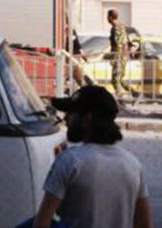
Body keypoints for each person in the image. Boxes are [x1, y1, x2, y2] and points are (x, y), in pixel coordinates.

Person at [29, 84, 152, 228]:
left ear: (87, 118)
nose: (66, 118)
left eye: (72, 113)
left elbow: (41, 223)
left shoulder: (69, 161)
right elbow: (145, 224)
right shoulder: (133, 165)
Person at [106, 9, 136, 100]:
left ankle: (121, 99)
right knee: (121, 79)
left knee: (115, 80)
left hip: (119, 56)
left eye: (107, 17)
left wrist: (114, 58)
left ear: (110, 17)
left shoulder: (116, 28)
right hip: (123, 56)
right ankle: (135, 93)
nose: (107, 19)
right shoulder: (122, 26)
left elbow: (119, 43)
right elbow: (128, 41)